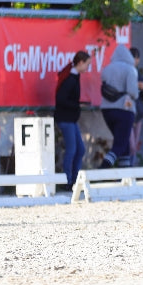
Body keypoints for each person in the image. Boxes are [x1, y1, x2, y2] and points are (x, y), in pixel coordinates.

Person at [54, 50, 91, 188]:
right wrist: (77, 104)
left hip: (71, 119)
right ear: (80, 63)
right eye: (87, 64)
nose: (88, 68)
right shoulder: (70, 78)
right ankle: (68, 181)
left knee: (79, 149)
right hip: (65, 118)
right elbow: (61, 99)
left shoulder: (74, 77)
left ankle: (74, 180)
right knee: (72, 149)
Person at [99, 44, 138, 168]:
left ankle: (124, 175)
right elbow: (133, 92)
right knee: (120, 144)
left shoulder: (107, 68)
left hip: (106, 110)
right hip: (124, 110)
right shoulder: (130, 69)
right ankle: (104, 166)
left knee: (124, 144)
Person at [128, 46, 143, 165]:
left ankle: (131, 169)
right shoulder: (126, 71)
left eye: (137, 58)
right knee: (130, 145)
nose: (136, 60)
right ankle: (126, 169)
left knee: (134, 145)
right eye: (134, 58)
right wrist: (136, 86)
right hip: (128, 112)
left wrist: (142, 88)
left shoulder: (137, 72)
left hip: (138, 113)